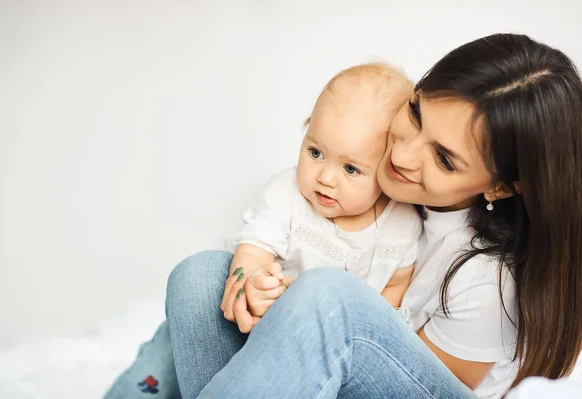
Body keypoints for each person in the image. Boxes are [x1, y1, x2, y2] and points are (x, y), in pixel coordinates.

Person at [121, 33, 582, 398]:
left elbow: (390, 368)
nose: (402, 153)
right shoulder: (384, 193)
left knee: (330, 297)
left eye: (444, 159)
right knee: (200, 276)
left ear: (500, 186)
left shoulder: (488, 278)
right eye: (416, 113)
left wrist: (301, 321)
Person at [104, 62, 422, 398]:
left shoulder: (401, 223)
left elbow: (397, 284)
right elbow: (253, 251)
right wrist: (251, 284)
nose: (326, 177)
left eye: (351, 168)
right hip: (253, 332)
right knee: (163, 359)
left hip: (319, 353)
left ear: (390, 167)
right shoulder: (287, 194)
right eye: (315, 152)